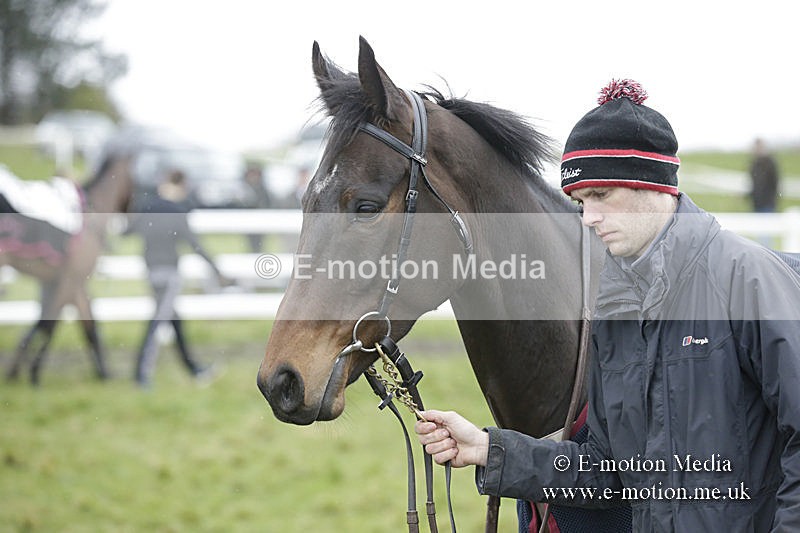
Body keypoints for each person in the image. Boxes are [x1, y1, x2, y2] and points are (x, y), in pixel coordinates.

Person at [415, 80, 800, 532]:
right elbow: (606, 473)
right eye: (580, 201)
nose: (588, 218)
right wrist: (488, 450)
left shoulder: (748, 279)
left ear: (653, 184)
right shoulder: (614, 310)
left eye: (601, 196)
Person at [127, 169, 227, 388]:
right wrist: (216, 269)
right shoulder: (177, 211)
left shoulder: (147, 207)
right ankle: (141, 375)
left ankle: (193, 369)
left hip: (151, 271)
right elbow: (195, 244)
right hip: (169, 274)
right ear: (180, 185)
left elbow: (128, 230)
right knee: (157, 323)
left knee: (174, 320)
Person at [748, 138, 780, 213]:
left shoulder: (770, 163)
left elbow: (775, 182)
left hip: (768, 203)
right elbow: (754, 184)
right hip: (756, 203)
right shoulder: (754, 164)